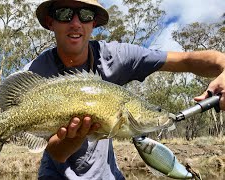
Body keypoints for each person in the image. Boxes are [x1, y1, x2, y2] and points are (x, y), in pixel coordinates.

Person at [23, 0, 225, 179]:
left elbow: (187, 61)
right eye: (64, 13)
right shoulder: (34, 74)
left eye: (85, 15)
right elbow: (57, 153)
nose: (75, 23)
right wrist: (77, 136)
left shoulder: (115, 56)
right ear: (51, 22)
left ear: (93, 22)